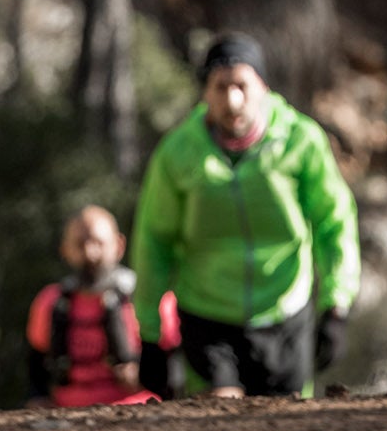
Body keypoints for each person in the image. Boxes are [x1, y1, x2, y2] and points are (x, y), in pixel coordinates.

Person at [132, 33, 360, 398]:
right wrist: (149, 332)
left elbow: (334, 222)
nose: (232, 100)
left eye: (242, 85)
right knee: (220, 417)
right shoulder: (178, 153)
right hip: (207, 315)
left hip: (285, 311)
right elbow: (154, 239)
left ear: (264, 87)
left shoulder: (300, 141)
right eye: (220, 87)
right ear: (205, 92)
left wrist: (337, 305)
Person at [24, 205, 180, 407]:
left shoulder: (151, 299)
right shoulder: (50, 302)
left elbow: (176, 371)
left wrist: (144, 376)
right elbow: (36, 369)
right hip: (65, 417)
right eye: (80, 244)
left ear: (119, 245)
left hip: (139, 414)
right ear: (65, 250)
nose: (90, 253)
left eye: (99, 243)